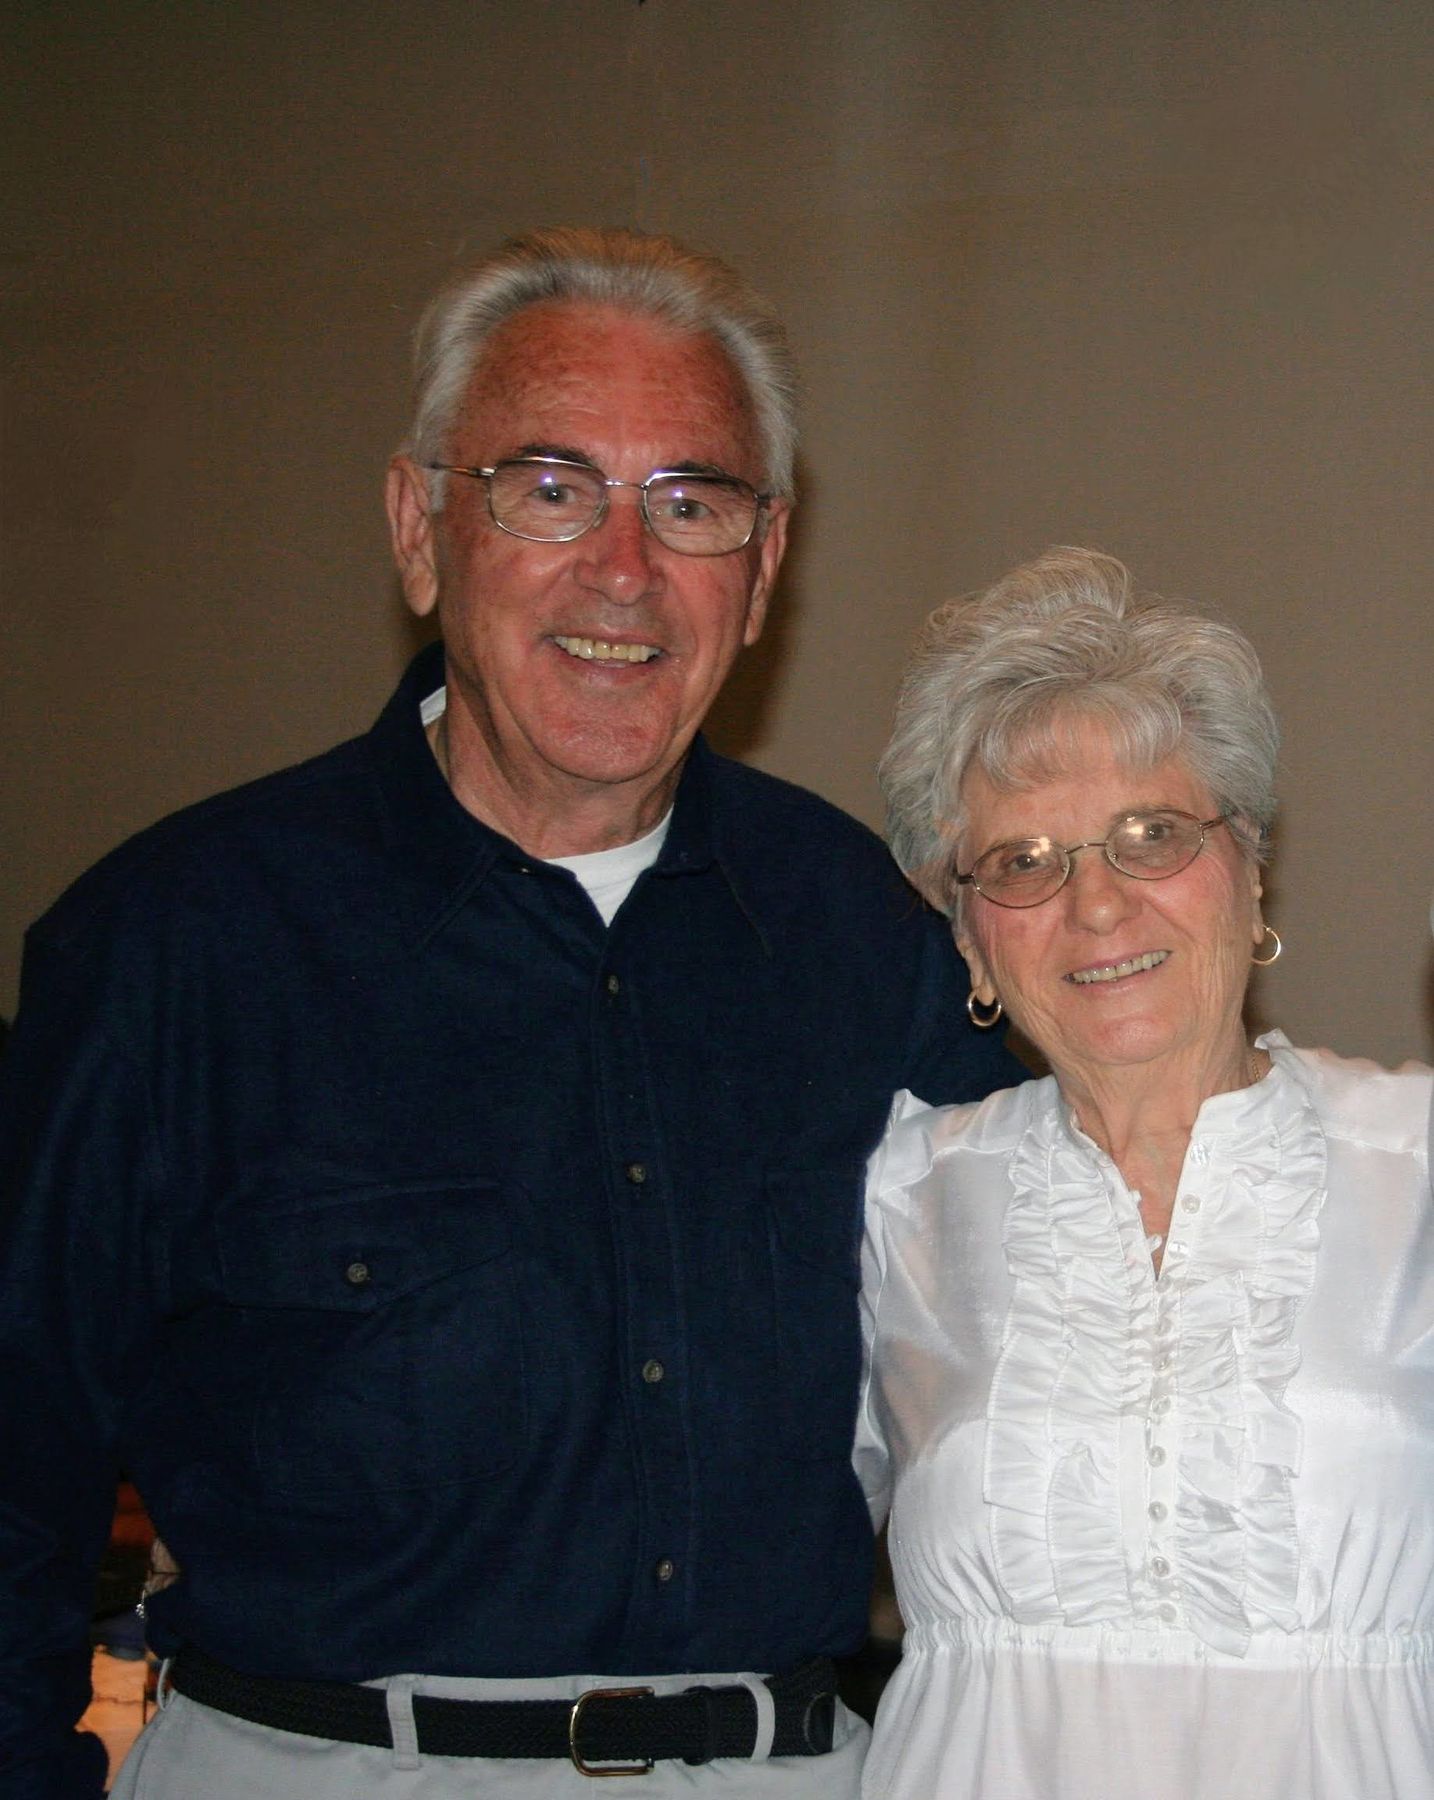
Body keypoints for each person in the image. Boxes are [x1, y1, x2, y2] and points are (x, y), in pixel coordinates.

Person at [0, 228, 1019, 1800]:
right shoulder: (174, 947)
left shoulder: (867, 938)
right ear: (419, 530)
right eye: (549, 488)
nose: (622, 567)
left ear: (762, 570)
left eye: (689, 503)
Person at [857, 548, 1434, 1800]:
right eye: (1023, 862)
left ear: (1250, 867)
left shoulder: (1419, 1165)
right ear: (969, 941)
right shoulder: (896, 1201)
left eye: (1151, 836)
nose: (1099, 905)